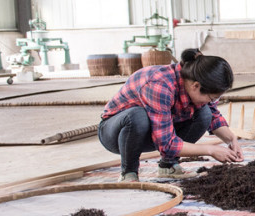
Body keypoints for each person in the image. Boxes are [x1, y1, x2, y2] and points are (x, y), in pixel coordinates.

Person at [98, 49, 243, 182]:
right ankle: (128, 173)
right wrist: (211, 150)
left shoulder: (195, 81)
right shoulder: (159, 84)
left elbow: (213, 116)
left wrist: (231, 139)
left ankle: (168, 166)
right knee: (137, 116)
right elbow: (166, 144)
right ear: (196, 86)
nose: (213, 102)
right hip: (117, 134)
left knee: (205, 113)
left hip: (152, 132)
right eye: (212, 98)